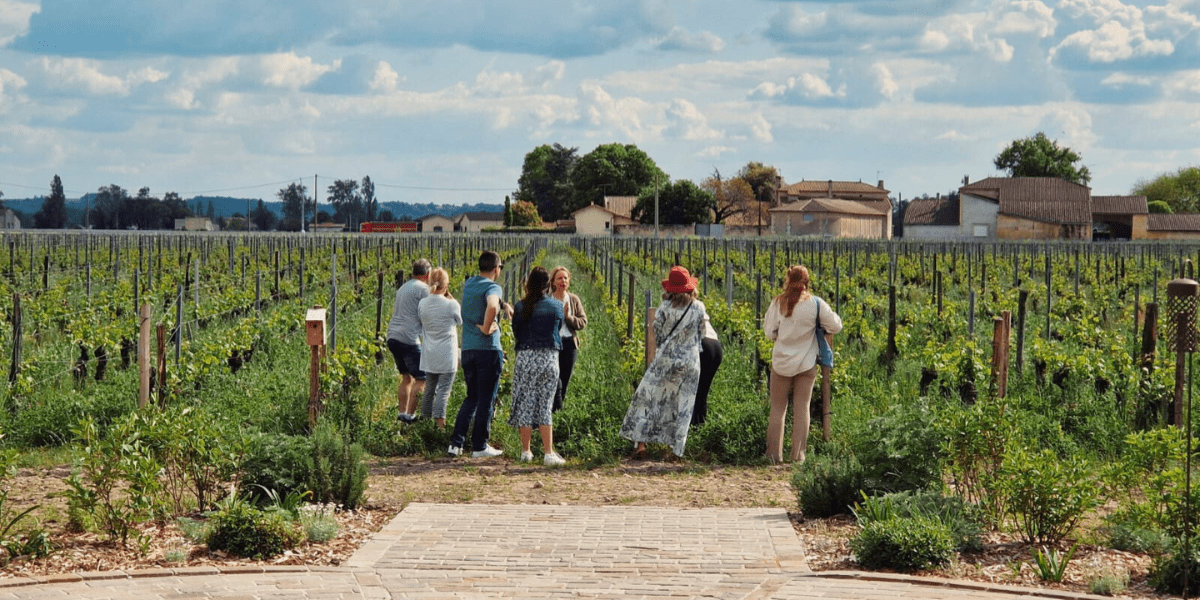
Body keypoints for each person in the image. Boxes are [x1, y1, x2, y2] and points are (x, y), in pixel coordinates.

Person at [620, 265, 708, 457]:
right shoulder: (699, 307)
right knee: (684, 405)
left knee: (647, 397)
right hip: (691, 361)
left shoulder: (665, 308)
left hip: (666, 359)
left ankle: (641, 444)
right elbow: (702, 333)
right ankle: (676, 450)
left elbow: (657, 332)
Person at [762, 265, 843, 464]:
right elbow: (836, 326)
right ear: (807, 282)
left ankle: (773, 455)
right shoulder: (816, 304)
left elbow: (769, 332)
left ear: (787, 280)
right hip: (806, 364)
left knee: (778, 408)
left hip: (781, 362)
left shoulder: (777, 302)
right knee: (802, 408)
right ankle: (798, 455)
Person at [448, 250, 512, 458]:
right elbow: (492, 305)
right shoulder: (494, 286)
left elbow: (491, 301)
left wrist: (505, 304)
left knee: (472, 397)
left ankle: (456, 444)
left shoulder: (469, 284)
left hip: (468, 349)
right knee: (486, 399)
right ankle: (480, 446)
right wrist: (486, 328)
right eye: (500, 268)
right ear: (496, 269)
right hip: (488, 350)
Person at [509, 267, 566, 466]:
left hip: (525, 357)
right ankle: (548, 453)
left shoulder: (520, 306)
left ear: (528, 283)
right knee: (545, 405)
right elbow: (557, 329)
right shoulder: (556, 306)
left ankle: (526, 451)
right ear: (548, 284)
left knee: (525, 401)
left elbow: (516, 330)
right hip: (549, 358)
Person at [386, 258, 430, 423]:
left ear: (413, 273)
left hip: (393, 336)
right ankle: (410, 416)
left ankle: (401, 413)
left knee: (407, 377)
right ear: (427, 275)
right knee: (422, 378)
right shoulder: (424, 289)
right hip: (409, 338)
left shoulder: (403, 287)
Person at [417, 267, 461, 429]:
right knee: (443, 391)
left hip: (429, 353)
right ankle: (440, 426)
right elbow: (459, 321)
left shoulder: (422, 303)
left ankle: (425, 424)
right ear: (446, 285)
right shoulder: (452, 304)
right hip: (447, 354)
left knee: (429, 389)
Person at [548, 266, 587, 413]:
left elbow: (583, 322)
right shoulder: (548, 299)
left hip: (569, 343)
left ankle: (556, 412)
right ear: (553, 282)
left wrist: (568, 317)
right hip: (552, 344)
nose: (563, 281)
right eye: (559, 278)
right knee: (553, 378)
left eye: (565, 278)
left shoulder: (573, 299)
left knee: (564, 379)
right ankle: (554, 409)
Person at [692, 313, 722, 427]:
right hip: (715, 345)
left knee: (692, 390)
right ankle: (699, 425)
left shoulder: (677, 305)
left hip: (702, 344)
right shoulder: (697, 304)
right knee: (702, 391)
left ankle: (693, 428)